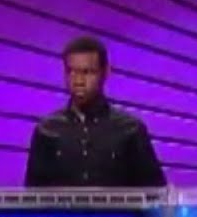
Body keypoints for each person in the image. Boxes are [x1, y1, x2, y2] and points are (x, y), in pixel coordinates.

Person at [24, 36, 167, 188]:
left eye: (87, 72)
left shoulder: (131, 129)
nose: (78, 81)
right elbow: (33, 195)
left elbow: (156, 193)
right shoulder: (46, 130)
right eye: (71, 72)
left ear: (106, 72)